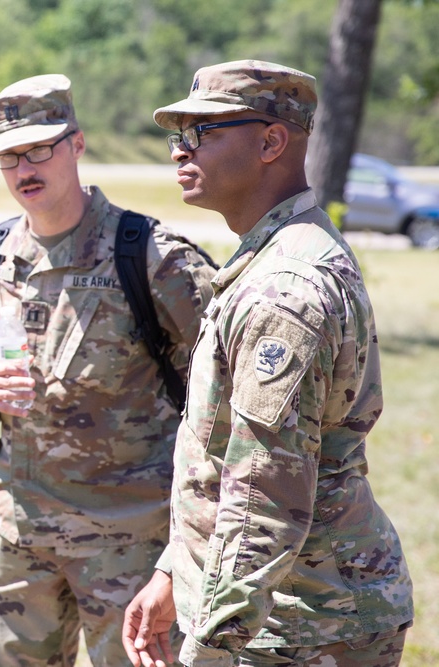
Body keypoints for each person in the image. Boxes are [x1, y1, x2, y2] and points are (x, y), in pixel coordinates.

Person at [122, 60, 415, 667]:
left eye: (202, 132)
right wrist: (175, 571)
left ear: (271, 141)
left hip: (300, 626)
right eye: (177, 135)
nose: (180, 151)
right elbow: (221, 456)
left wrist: (209, 646)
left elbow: (265, 499)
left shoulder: (284, 289)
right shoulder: (274, 255)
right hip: (282, 610)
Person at [0, 74, 216, 666]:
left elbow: (227, 393)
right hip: (19, 534)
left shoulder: (150, 257)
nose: (25, 168)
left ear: (76, 144)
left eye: (39, 148)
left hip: (130, 540)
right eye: (8, 156)